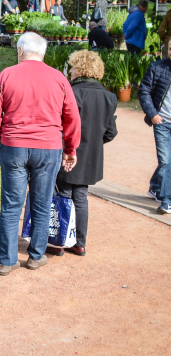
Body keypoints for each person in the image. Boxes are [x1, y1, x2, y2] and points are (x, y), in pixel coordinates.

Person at [0, 32, 81, 276]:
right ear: (43, 53)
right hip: (48, 147)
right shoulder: (58, 78)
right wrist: (70, 149)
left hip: (14, 145)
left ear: (20, 51)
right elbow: (71, 117)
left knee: (11, 205)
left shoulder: (6, 75)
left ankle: (7, 261)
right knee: (41, 201)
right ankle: (36, 256)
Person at [50, 51, 117, 257]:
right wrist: (95, 142)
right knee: (81, 197)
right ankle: (79, 242)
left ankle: (60, 242)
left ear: (80, 69)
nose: (69, 71)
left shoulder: (70, 92)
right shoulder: (109, 97)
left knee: (63, 194)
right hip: (90, 156)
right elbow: (111, 132)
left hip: (67, 151)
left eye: (72, 67)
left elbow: (61, 125)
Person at [138, 38, 171, 214]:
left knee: (168, 162)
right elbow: (143, 91)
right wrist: (153, 114)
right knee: (165, 160)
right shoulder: (157, 67)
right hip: (162, 122)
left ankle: (155, 186)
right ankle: (166, 200)